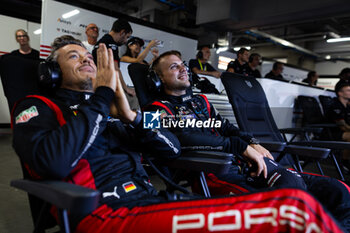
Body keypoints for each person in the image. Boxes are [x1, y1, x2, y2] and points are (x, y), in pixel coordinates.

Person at [10, 35, 344, 233]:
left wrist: (131, 116)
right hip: (103, 211)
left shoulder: (117, 110)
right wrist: (100, 98)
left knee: (338, 193)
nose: (87, 60)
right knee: (293, 208)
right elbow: (51, 163)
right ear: (52, 72)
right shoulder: (37, 106)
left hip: (150, 200)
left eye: (89, 57)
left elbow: (169, 146)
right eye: (74, 56)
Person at [145, 50, 350, 230]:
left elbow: (226, 127)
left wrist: (251, 142)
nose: (183, 69)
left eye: (183, 64)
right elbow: (176, 137)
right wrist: (238, 146)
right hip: (216, 171)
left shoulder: (201, 101)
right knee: (293, 194)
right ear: (159, 78)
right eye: (174, 67)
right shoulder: (152, 109)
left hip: (248, 164)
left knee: (340, 190)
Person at [92, 19, 138, 109]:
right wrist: (126, 88)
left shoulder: (101, 42)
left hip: (98, 86)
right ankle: (142, 122)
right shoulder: (112, 45)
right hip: (107, 87)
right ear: (122, 32)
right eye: (127, 37)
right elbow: (115, 69)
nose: (126, 41)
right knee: (135, 97)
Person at [328, 82, 350, 171]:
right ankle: (344, 163)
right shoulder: (335, 106)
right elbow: (342, 126)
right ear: (340, 93)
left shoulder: (347, 106)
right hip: (332, 133)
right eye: (348, 90)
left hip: (343, 131)